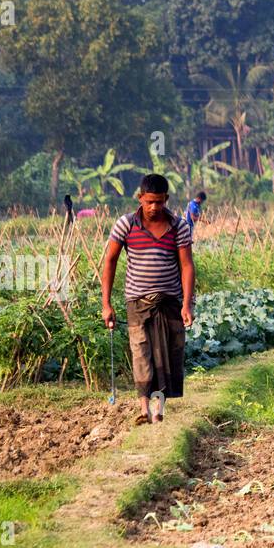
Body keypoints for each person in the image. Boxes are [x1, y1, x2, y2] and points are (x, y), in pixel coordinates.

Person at [101, 173, 195, 425]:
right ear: (140, 198)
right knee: (141, 352)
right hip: (137, 302)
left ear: (166, 199)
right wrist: (106, 304)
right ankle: (144, 408)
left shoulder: (179, 227)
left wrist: (187, 304)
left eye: (159, 202)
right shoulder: (126, 224)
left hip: (169, 302)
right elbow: (110, 261)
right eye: (149, 202)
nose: (154, 207)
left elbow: (186, 266)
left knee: (165, 354)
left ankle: (158, 408)